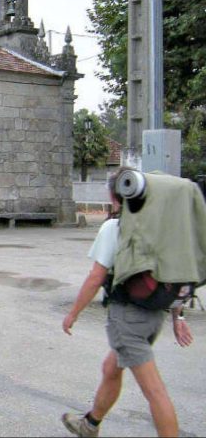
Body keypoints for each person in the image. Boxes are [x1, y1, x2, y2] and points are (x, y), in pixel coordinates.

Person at [61, 168, 194, 437]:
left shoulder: (115, 227)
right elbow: (174, 271)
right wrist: (177, 316)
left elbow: (96, 276)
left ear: (114, 198)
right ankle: (90, 424)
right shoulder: (160, 228)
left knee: (155, 392)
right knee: (111, 367)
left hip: (128, 319)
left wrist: (73, 313)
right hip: (153, 317)